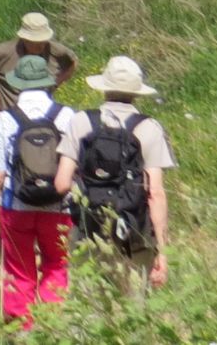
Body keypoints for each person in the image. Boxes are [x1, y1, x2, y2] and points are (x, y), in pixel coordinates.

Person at [56, 55, 176, 297]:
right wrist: (162, 250)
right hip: (134, 234)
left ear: (104, 88)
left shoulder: (81, 122)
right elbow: (155, 193)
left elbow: (61, 184)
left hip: (89, 231)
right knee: (134, 306)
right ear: (137, 92)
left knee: (88, 305)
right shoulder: (149, 128)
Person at [0, 53, 83, 327]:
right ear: (47, 82)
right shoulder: (67, 116)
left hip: (16, 208)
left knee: (19, 270)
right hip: (59, 207)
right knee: (56, 265)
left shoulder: (7, 118)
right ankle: (51, 329)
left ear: (19, 84)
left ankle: (20, 331)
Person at [0, 12, 77, 108]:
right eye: (34, 42)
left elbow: (73, 62)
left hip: (43, 119)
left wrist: (56, 83)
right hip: (10, 119)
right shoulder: (3, 52)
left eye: (43, 41)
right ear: (24, 39)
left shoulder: (56, 50)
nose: (40, 45)